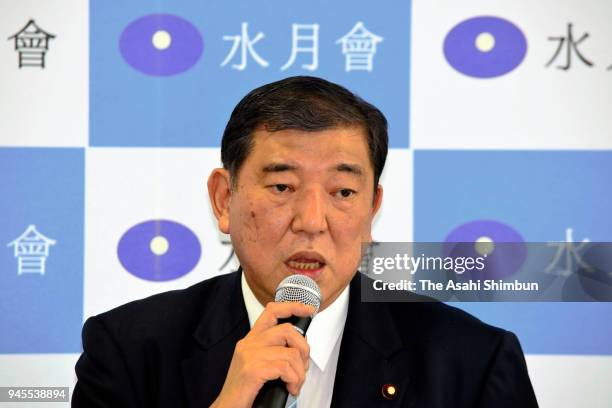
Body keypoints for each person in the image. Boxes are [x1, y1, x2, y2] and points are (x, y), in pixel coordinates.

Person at [72, 76, 538, 407]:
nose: (312, 221)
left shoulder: (472, 361)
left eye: (343, 192)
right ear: (223, 199)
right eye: (282, 187)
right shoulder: (130, 350)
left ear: (372, 209)